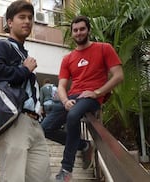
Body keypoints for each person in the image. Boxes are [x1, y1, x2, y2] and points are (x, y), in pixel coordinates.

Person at [41, 15, 124, 182]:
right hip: (72, 97)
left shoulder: (104, 48)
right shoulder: (68, 58)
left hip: (91, 97)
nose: (79, 33)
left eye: (82, 29)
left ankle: (66, 170)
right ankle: (84, 145)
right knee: (45, 128)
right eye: (75, 30)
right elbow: (62, 86)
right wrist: (65, 101)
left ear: (88, 30)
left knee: (73, 116)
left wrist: (97, 92)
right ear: (72, 33)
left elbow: (119, 75)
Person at [0, 1, 51, 181]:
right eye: (22, 17)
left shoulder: (23, 52)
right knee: (14, 178)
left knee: (41, 177)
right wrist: (24, 70)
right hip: (15, 121)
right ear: (10, 22)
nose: (27, 21)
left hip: (35, 123)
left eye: (30, 18)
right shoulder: (4, 45)